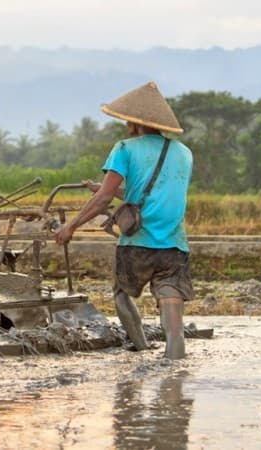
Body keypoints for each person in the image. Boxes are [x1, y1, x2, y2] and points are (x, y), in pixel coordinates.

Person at [54, 81, 194, 359]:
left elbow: (106, 198)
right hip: (174, 247)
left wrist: (70, 226)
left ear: (134, 123)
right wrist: (103, 189)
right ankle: (175, 383)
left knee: (121, 294)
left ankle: (141, 349)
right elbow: (150, 194)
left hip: (136, 244)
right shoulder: (184, 153)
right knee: (174, 326)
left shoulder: (125, 148)